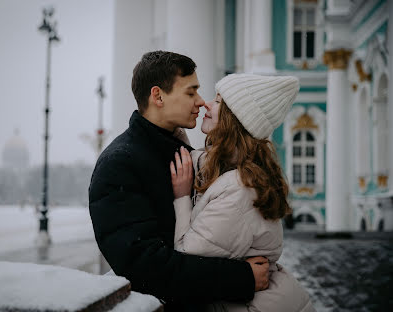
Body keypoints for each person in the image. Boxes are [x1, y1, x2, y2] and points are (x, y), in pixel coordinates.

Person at [89, 51, 270, 311]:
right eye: (190, 92)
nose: (201, 102)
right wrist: (241, 277)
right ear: (158, 96)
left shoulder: (180, 152)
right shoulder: (119, 164)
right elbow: (146, 267)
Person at [170, 74, 315, 312]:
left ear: (235, 120)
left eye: (218, 101)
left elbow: (186, 256)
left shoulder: (240, 188)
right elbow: (197, 162)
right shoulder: (229, 167)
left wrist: (181, 196)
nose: (206, 103)